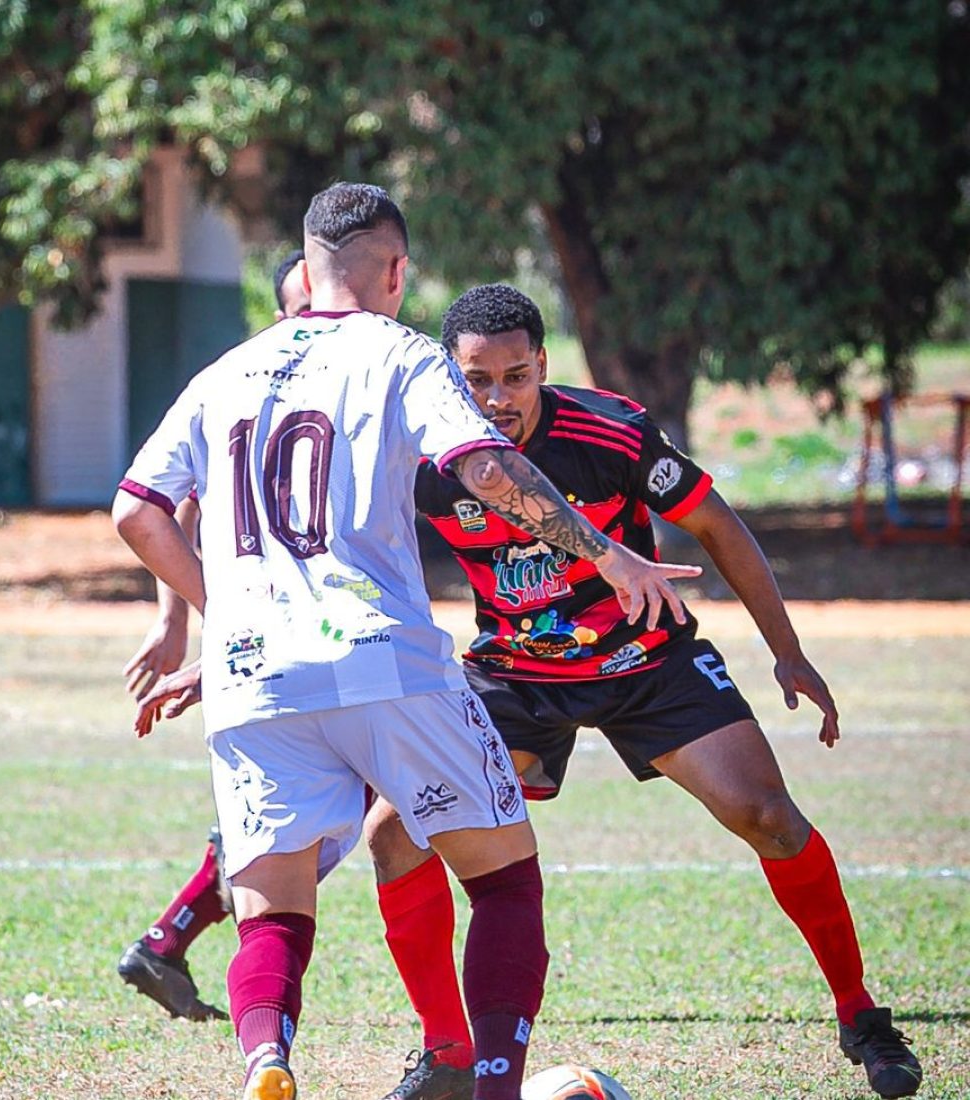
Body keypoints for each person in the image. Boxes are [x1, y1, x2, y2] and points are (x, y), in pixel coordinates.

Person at [137, 283, 925, 1100]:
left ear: (543, 365)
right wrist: (225, 645)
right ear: (450, 374)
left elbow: (719, 524)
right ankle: (446, 1051)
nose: (497, 398)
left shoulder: (609, 430)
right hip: (513, 674)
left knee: (768, 814)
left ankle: (861, 1013)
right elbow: (288, 539)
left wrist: (788, 653)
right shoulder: (419, 453)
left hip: (644, 662)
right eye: (477, 379)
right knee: (394, 837)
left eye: (516, 376)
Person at [112, 184, 699, 1100]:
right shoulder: (402, 353)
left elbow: (137, 512)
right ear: (396, 272)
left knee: (270, 915)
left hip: (252, 680)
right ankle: (495, 1086)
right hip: (383, 658)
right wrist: (608, 551)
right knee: (504, 882)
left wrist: (223, 614)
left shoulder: (224, 370)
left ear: (303, 271)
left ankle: (268, 1060)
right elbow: (482, 466)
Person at [115, 251, 310, 1023]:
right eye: (301, 309)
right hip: (275, 642)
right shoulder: (245, 392)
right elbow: (170, 505)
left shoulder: (367, 382)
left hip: (314, 634)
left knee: (313, 811)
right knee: (312, 815)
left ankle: (168, 940)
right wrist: (179, 619)